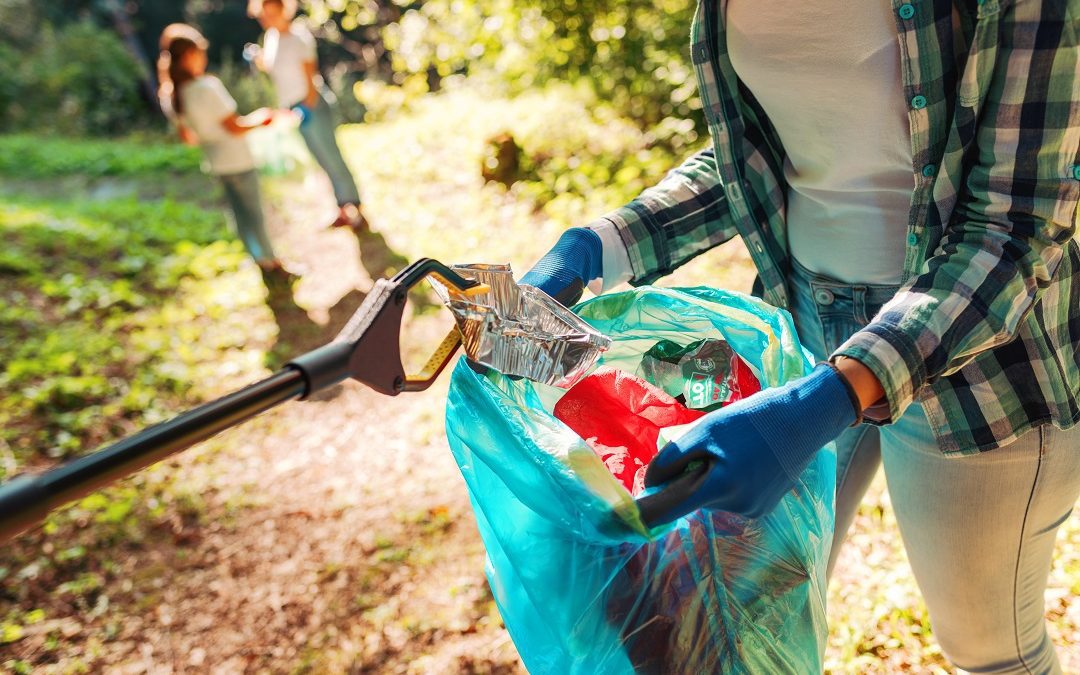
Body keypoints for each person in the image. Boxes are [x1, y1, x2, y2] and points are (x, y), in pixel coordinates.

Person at [521, 0, 1080, 672]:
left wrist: (830, 397)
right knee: (723, 612)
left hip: (979, 354)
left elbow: (1016, 223)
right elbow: (767, 150)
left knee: (992, 650)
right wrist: (602, 244)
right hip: (803, 326)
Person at [157, 24, 285, 273]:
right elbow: (235, 127)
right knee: (255, 214)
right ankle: (272, 262)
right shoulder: (207, 87)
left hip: (216, 163)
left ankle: (258, 259)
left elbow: (189, 138)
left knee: (240, 215)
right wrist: (262, 118)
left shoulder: (171, 95)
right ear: (189, 56)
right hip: (238, 159)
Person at [247, 0, 370, 231]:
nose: (267, 20)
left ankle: (358, 210)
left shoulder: (299, 38)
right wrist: (258, 61)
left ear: (285, 11)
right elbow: (277, 69)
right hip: (294, 109)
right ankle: (342, 208)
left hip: (311, 106)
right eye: (264, 16)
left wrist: (306, 108)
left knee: (332, 157)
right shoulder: (271, 38)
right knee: (321, 160)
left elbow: (310, 78)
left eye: (272, 14)